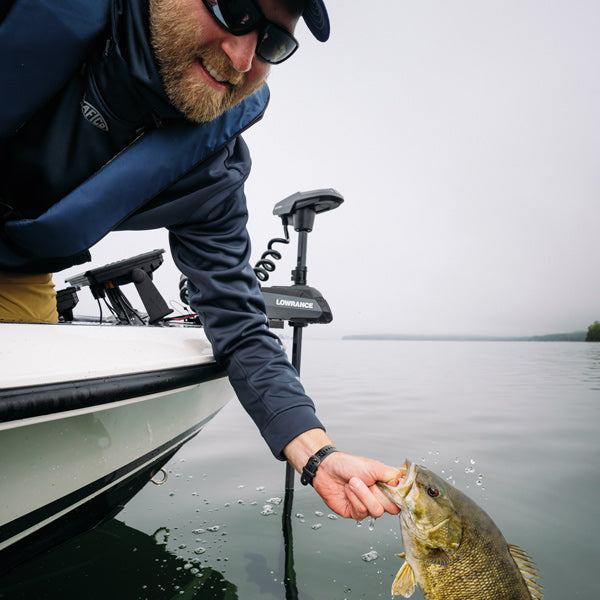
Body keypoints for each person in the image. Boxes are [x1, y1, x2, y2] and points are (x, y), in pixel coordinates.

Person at [0, 0, 401, 521]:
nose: (241, 58)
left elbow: (239, 322)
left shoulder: (211, 167)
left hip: (18, 272)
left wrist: (317, 454)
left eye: (272, 43)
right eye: (234, 10)